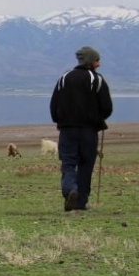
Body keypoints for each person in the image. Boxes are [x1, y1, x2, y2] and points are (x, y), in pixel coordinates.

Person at [50, 46, 113, 211]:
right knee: (86, 165)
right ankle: (80, 202)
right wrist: (98, 119)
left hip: (67, 131)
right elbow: (107, 107)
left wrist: (60, 120)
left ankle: (70, 189)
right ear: (90, 61)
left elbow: (53, 106)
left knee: (68, 163)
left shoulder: (64, 78)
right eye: (97, 60)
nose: (99, 64)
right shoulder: (97, 80)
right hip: (89, 132)